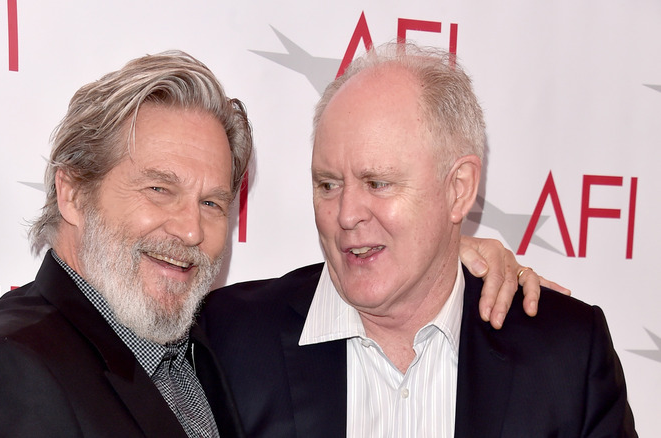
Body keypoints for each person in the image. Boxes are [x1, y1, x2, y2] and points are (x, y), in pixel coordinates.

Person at [0, 50, 552, 437]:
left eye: (212, 203)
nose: (191, 231)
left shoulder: (198, 337)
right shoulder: (11, 367)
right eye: (159, 190)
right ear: (72, 192)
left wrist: (446, 255)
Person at [198, 42, 637, 437]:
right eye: (328, 185)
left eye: (378, 183)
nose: (346, 215)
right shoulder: (227, 338)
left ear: (458, 189)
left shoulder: (568, 356)